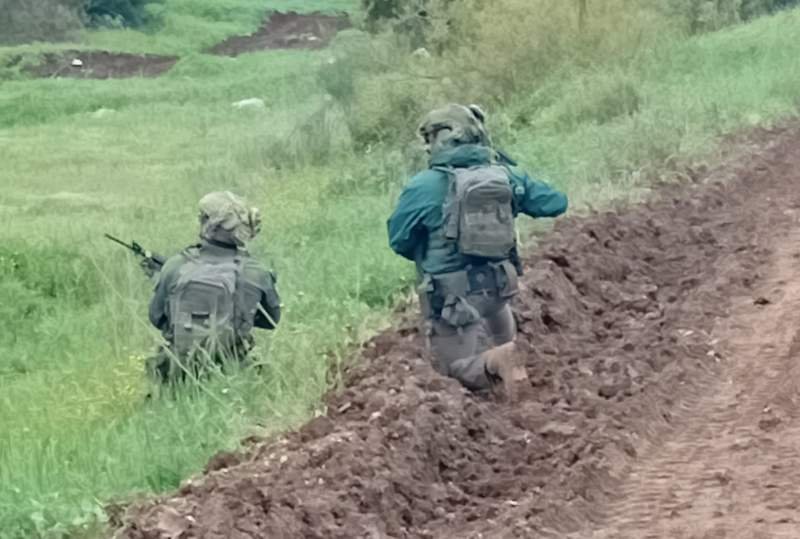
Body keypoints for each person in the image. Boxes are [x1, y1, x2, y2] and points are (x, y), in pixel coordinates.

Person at [387, 104, 567, 400]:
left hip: (453, 300)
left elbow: (399, 240)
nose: (427, 148)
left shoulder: (423, 186)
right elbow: (556, 203)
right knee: (499, 332)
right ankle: (507, 359)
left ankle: (497, 361)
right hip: (500, 289)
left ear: (441, 140)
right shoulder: (505, 175)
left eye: (429, 140)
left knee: (452, 370)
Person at [146, 191, 281, 383]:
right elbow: (272, 321)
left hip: (179, 372)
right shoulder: (256, 272)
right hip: (234, 371)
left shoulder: (176, 265)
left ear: (207, 223)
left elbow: (157, 318)